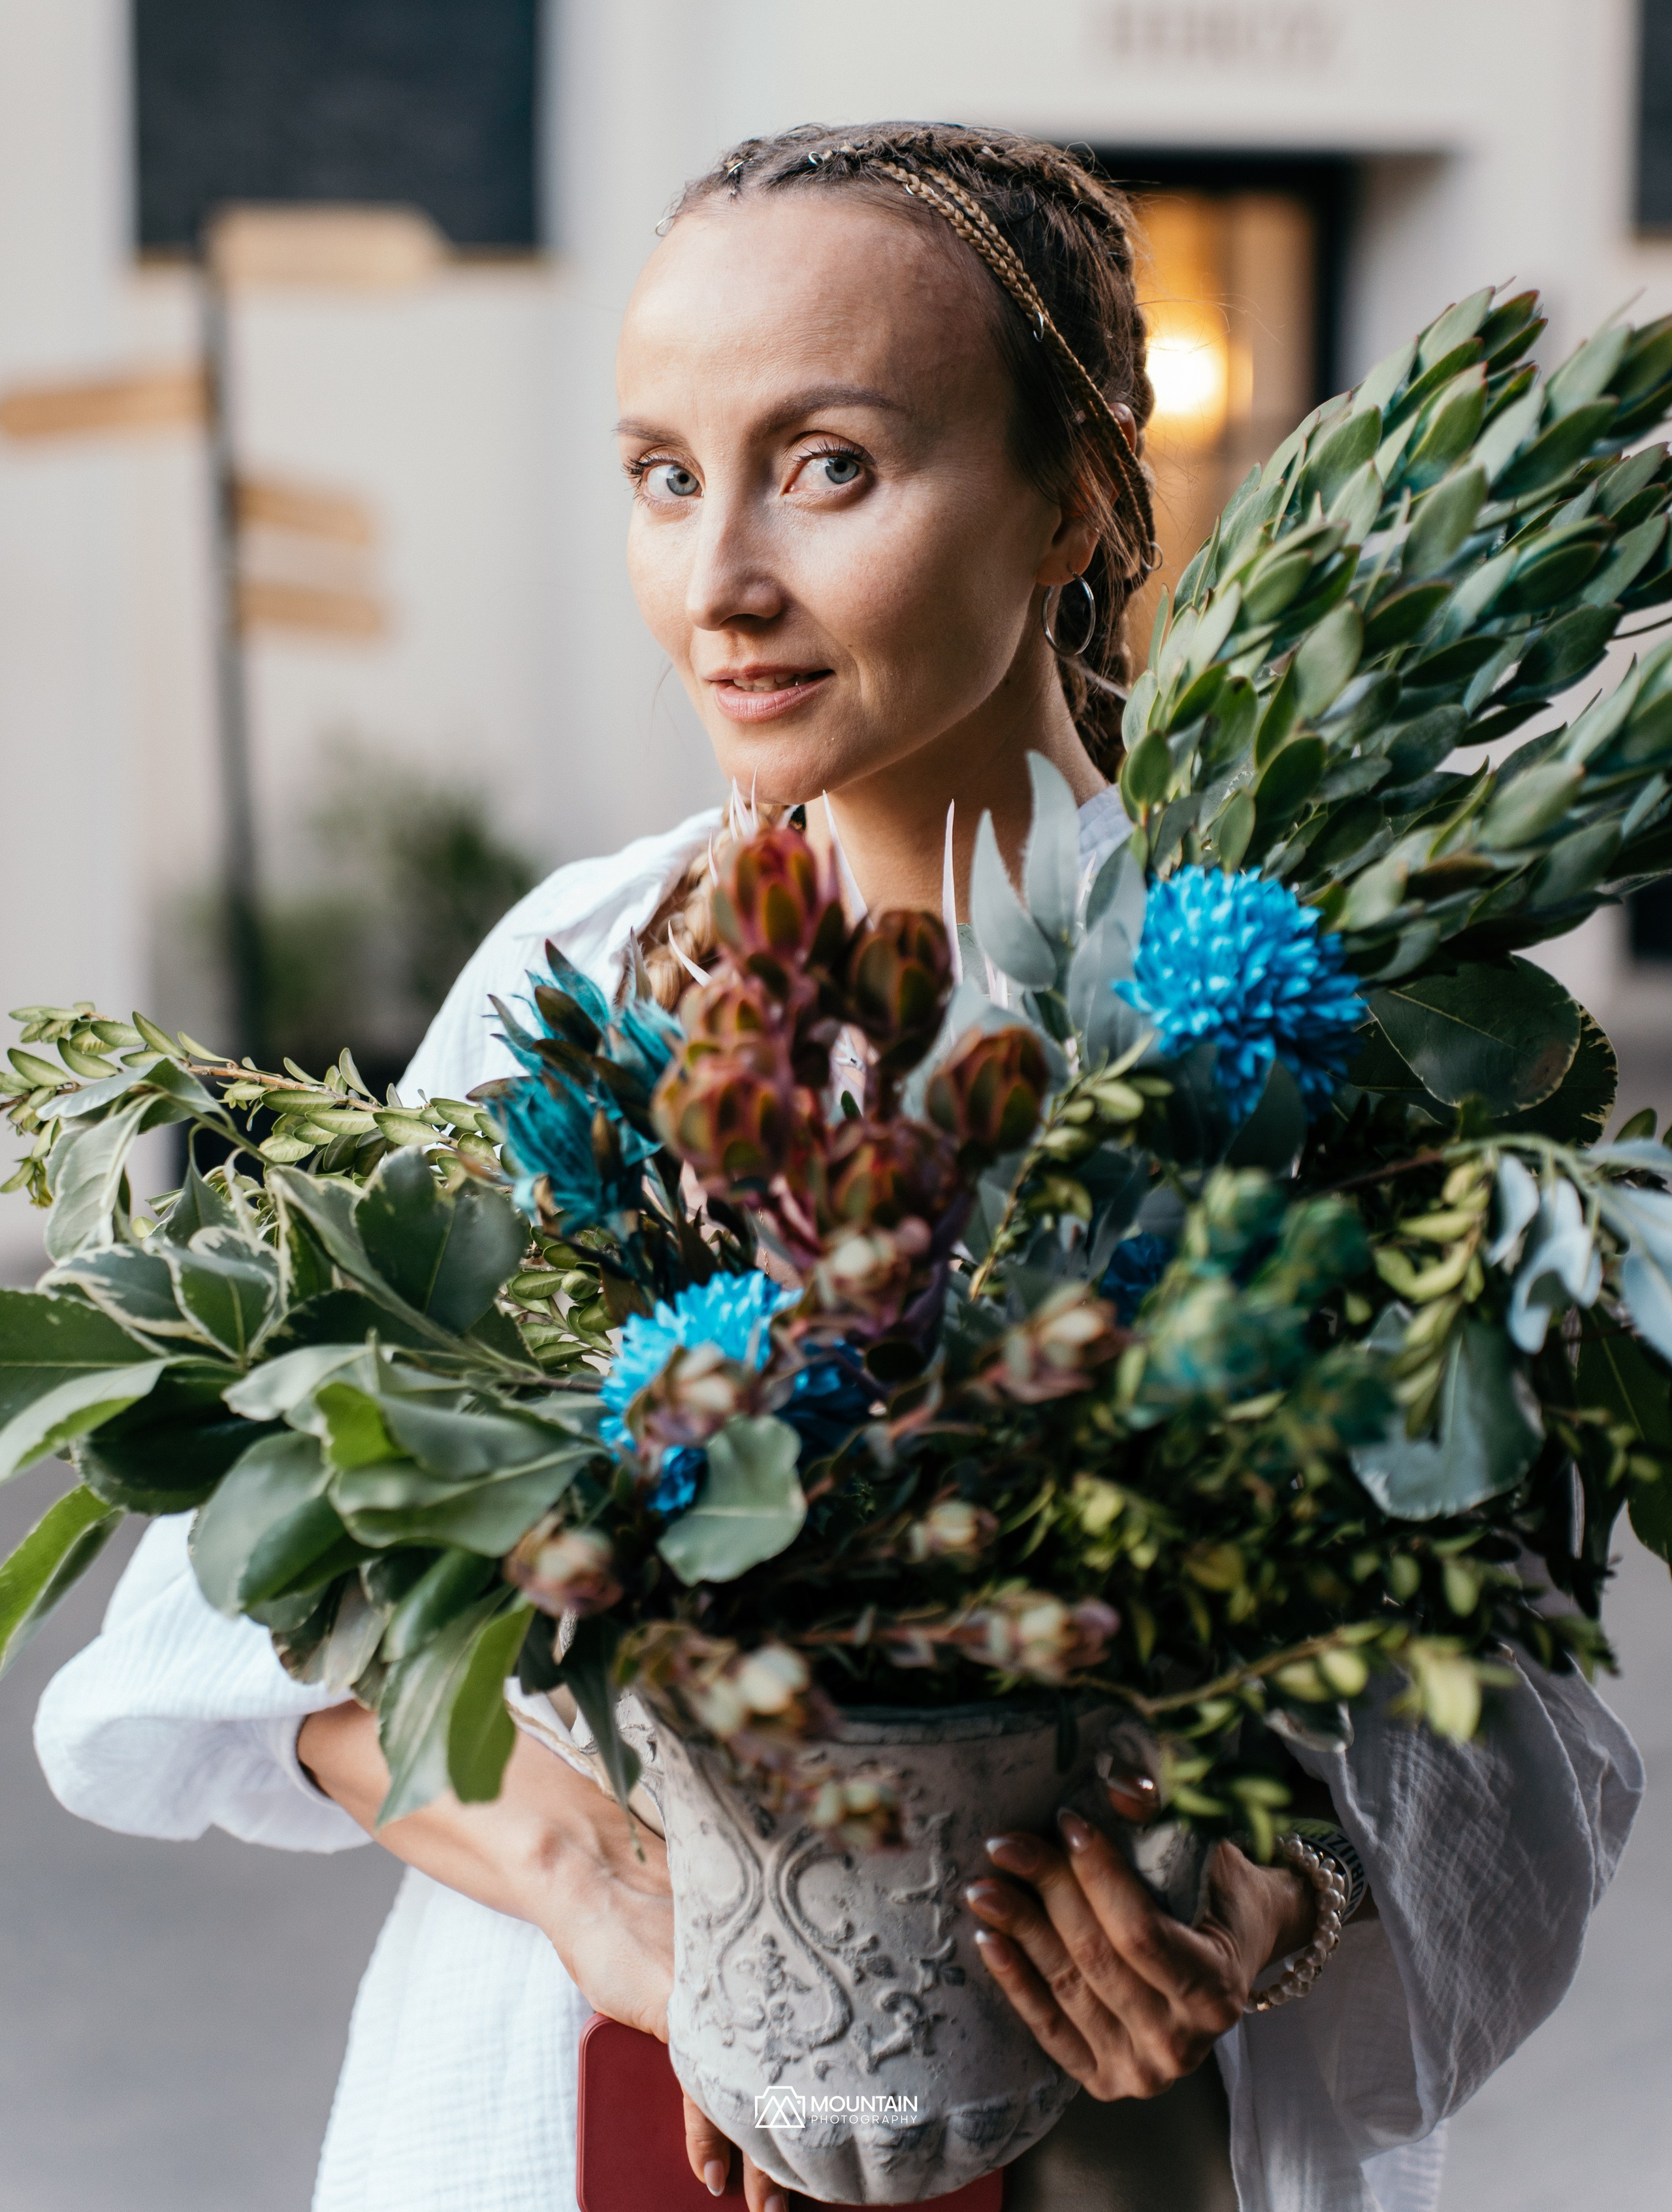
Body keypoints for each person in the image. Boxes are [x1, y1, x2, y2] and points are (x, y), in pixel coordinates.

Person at [34, 124, 1641, 2212]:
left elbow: (1511, 1710)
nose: (720, 588)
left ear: (1073, 494)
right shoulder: (582, 975)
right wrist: (600, 1883)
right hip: (580, 2110)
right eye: (665, 476)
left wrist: (1266, 1888)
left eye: (830, 467)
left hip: (1116, 2137)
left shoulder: (1298, 1006)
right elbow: (247, 1599)